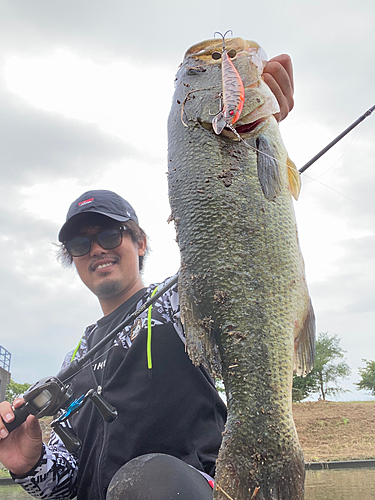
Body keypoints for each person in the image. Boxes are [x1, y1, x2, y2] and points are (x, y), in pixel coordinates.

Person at [0, 55, 294, 500]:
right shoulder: (73, 361)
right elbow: (66, 485)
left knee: (148, 478)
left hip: (188, 486)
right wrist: (30, 463)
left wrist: (256, 144)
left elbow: (243, 260)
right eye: (81, 244)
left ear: (139, 242)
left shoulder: (180, 301)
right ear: (73, 260)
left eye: (110, 233)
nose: (96, 248)